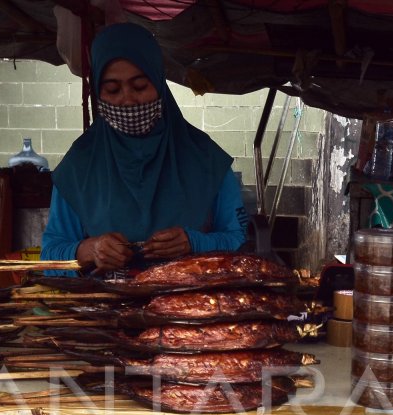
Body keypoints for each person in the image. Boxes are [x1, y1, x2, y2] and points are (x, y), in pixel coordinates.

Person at [40, 23, 248, 272]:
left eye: (139, 86)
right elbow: (50, 258)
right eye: (112, 89)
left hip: (191, 305)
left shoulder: (205, 158)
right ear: (97, 91)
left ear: (159, 84)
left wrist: (196, 242)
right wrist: (89, 250)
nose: (127, 99)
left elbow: (241, 244)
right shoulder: (79, 166)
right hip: (104, 306)